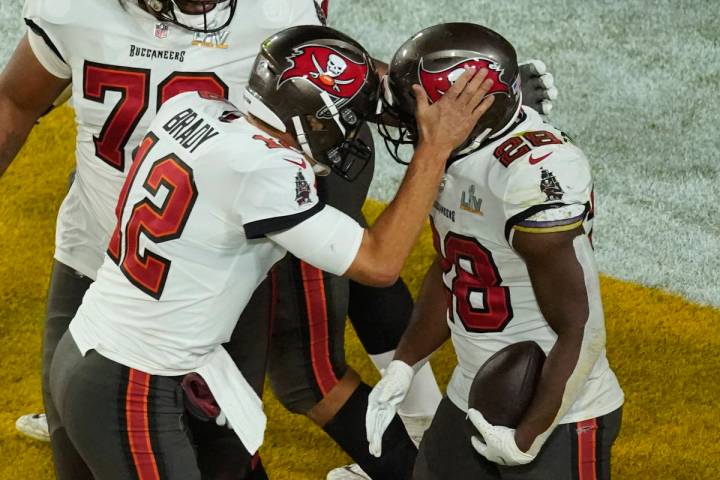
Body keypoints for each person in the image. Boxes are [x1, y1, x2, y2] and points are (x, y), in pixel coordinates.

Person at [0, 0, 556, 476]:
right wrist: (442, 141)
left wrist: (475, 96)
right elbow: (380, 262)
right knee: (304, 378)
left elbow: (342, 81)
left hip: (122, 300)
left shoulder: (187, 111)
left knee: (227, 450)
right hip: (127, 334)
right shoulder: (270, 175)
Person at [365, 23, 624, 480]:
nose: (411, 122)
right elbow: (456, 268)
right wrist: (404, 364)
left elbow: (582, 328)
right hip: (476, 388)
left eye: (421, 110)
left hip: (558, 408)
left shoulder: (532, 173)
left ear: (469, 112)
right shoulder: (458, 151)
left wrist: (528, 437)